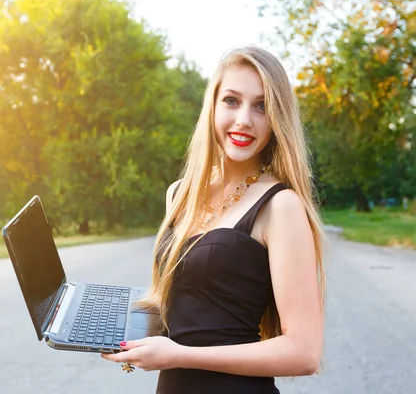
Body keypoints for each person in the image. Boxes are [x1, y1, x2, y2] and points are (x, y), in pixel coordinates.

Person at [101, 46, 326, 393]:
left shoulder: (281, 206)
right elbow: (185, 305)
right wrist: (108, 324)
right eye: (232, 101)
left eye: (262, 106)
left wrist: (181, 355)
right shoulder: (180, 195)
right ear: (212, 107)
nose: (244, 119)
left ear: (277, 118)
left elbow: (304, 353)